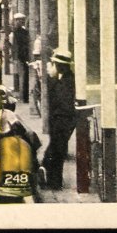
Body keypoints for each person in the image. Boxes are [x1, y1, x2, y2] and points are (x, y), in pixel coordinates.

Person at [39, 49, 76, 190]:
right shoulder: (60, 79)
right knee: (56, 149)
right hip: (58, 120)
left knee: (57, 151)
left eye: (54, 63)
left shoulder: (67, 82)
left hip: (63, 121)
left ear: (60, 65)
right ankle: (51, 177)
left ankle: (53, 181)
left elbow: (63, 104)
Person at [11, 12, 31, 102]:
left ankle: (23, 96)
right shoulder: (16, 32)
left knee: (22, 77)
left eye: (21, 20)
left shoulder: (22, 32)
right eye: (18, 20)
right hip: (19, 57)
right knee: (21, 77)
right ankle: (23, 96)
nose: (19, 22)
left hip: (20, 57)